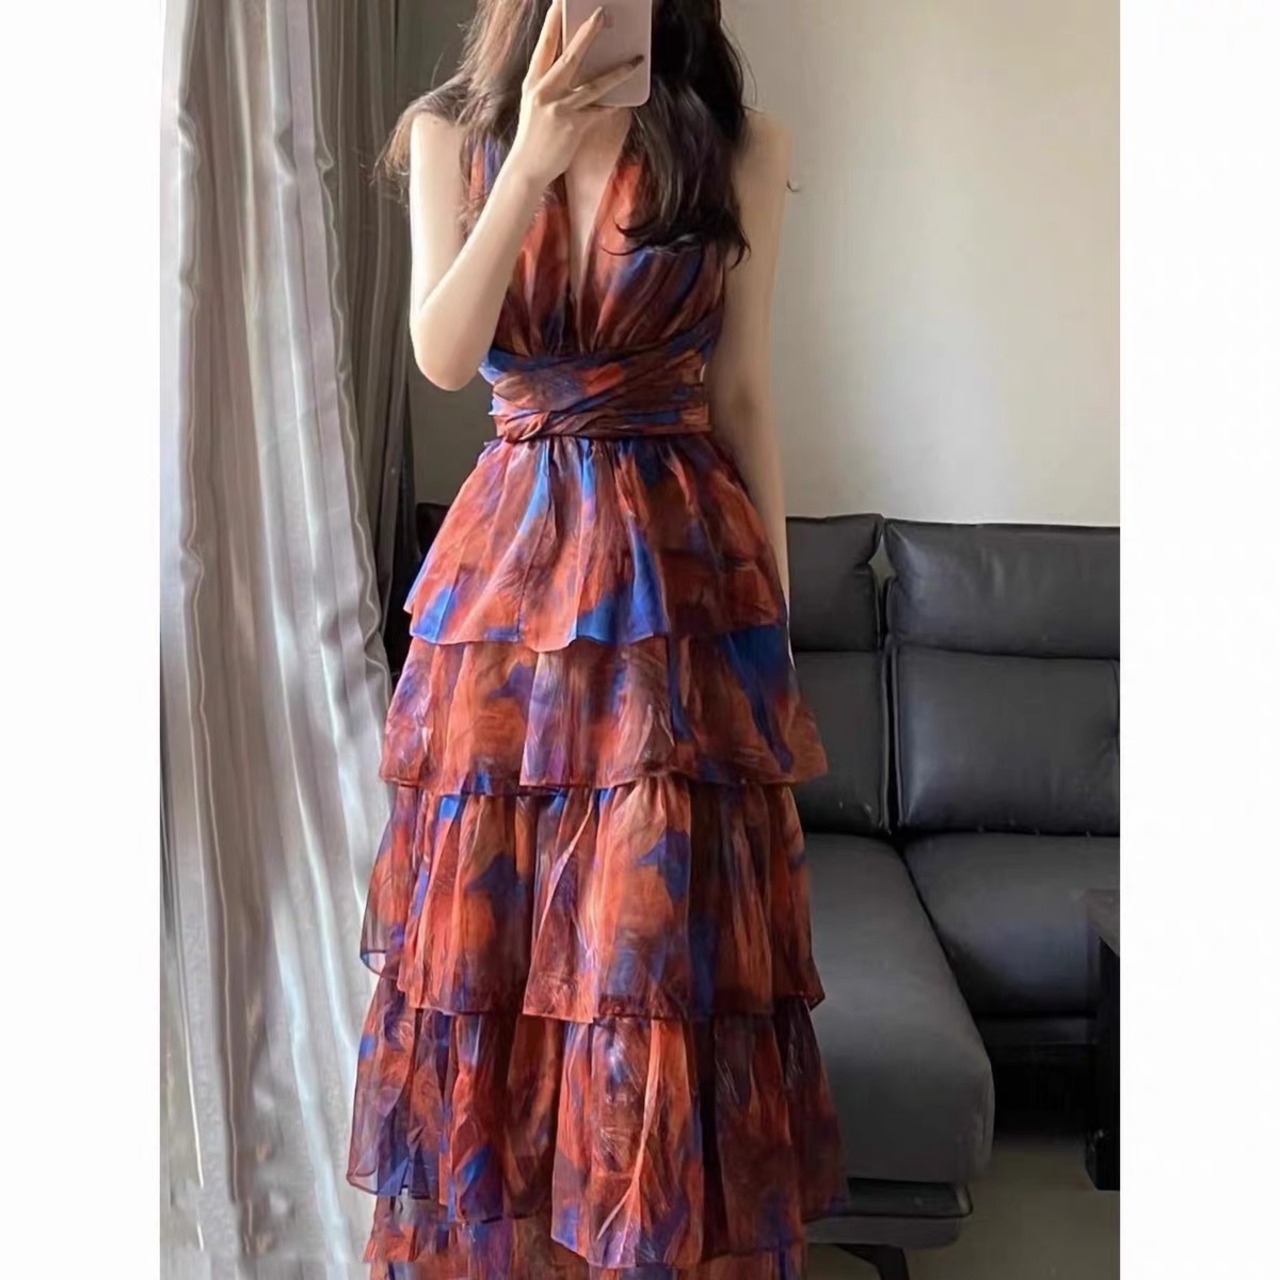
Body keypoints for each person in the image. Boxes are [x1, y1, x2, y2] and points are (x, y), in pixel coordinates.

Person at [346, 2, 846, 1275]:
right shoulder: (449, 137)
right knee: (491, 955)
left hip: (676, 598)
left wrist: (773, 644)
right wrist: (526, 155)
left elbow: (741, 392)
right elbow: (443, 355)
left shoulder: (739, 144)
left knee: (645, 964)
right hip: (504, 607)